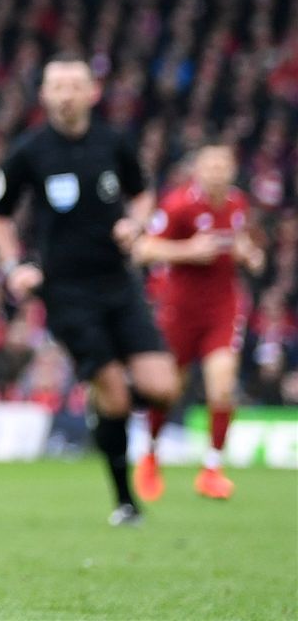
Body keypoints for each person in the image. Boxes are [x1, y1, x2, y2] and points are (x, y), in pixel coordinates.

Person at [0, 55, 179, 527]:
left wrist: (134, 225)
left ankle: (105, 406)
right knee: (114, 394)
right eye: (57, 86)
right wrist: (15, 266)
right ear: (45, 94)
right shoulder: (29, 151)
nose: (66, 94)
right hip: (66, 291)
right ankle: (125, 501)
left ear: (93, 92)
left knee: (162, 387)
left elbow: (141, 193)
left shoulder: (114, 143)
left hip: (120, 283)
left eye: (75, 85)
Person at [133, 144, 265, 501]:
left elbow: (248, 246)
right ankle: (150, 454)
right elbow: (144, 248)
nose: (216, 172)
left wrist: (251, 256)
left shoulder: (238, 204)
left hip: (222, 307)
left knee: (222, 388)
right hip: (179, 309)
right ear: (197, 170)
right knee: (168, 390)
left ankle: (211, 469)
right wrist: (188, 251)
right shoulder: (178, 205)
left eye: (223, 165)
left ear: (233, 170)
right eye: (210, 165)